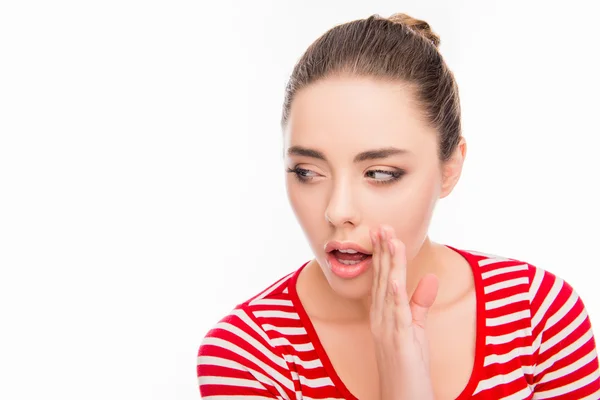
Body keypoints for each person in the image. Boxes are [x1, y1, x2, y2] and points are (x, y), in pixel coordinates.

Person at [196, 12, 600, 400]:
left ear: (449, 169)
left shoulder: (536, 314)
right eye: (307, 171)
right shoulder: (249, 355)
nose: (337, 211)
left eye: (380, 173)